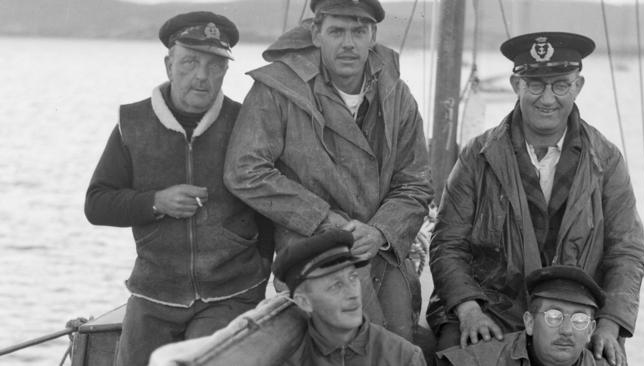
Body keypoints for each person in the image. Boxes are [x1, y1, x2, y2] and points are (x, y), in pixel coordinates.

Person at [427, 31, 644, 366]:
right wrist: (467, 308)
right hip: (492, 311)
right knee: (455, 353)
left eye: (560, 84)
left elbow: (626, 250)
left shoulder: (606, 160)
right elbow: (447, 243)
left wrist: (610, 322)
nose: (547, 98)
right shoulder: (477, 156)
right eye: (535, 85)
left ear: (578, 85)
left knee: (608, 359)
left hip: (574, 316)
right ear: (517, 86)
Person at [224, 0, 433, 341]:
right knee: (346, 345)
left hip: (379, 248)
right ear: (316, 34)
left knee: (398, 345)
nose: (348, 43)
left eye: (358, 31)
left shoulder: (397, 94)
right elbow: (244, 170)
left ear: (373, 35)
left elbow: (416, 181)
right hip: (311, 247)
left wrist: (379, 232)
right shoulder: (278, 89)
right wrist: (327, 221)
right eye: (336, 31)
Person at [84, 11, 272, 366]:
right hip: (154, 293)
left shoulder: (246, 121)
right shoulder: (132, 123)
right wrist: (155, 202)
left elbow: (268, 204)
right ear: (169, 64)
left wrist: (261, 273)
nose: (201, 76)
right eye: (189, 62)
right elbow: (97, 204)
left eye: (214, 65)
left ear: (225, 71)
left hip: (231, 292)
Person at [273, 229, 427, 365]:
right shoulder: (280, 359)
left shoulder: (404, 358)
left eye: (353, 278)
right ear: (304, 302)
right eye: (336, 286)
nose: (352, 293)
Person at [438, 265, 609, 366]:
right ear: (530, 322)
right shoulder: (481, 360)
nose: (566, 330)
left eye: (579, 320)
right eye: (554, 317)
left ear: (590, 331)